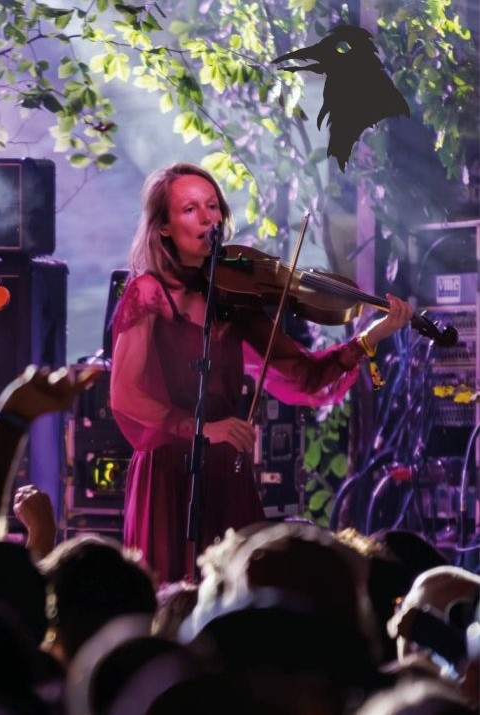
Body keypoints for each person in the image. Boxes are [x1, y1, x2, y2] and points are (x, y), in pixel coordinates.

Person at [109, 162, 412, 584]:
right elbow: (125, 395)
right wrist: (202, 429)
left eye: (212, 206)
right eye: (190, 209)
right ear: (163, 227)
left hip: (225, 474)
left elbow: (303, 376)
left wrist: (370, 337)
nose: (207, 217)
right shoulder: (149, 293)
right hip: (168, 478)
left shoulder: (235, 300)